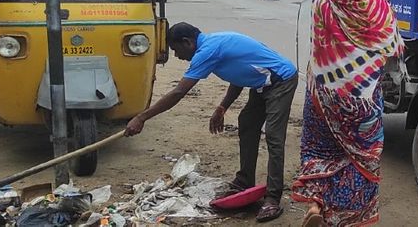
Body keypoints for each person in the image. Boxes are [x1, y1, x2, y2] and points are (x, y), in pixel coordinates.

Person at [125, 23, 298, 223]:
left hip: (281, 80)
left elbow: (179, 92)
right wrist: (222, 107)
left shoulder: (207, 51)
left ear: (187, 42)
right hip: (261, 83)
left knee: (274, 136)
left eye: (176, 50)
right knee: (247, 124)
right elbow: (239, 74)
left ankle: (273, 198)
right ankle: (244, 181)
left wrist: (141, 117)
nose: (177, 56)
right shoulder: (215, 43)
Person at [292, 0, 405, 227]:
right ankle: (347, 217)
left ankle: (317, 203)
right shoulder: (379, 8)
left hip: (321, 96)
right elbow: (392, 52)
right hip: (361, 103)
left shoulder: (321, 1)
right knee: (360, 158)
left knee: (318, 151)